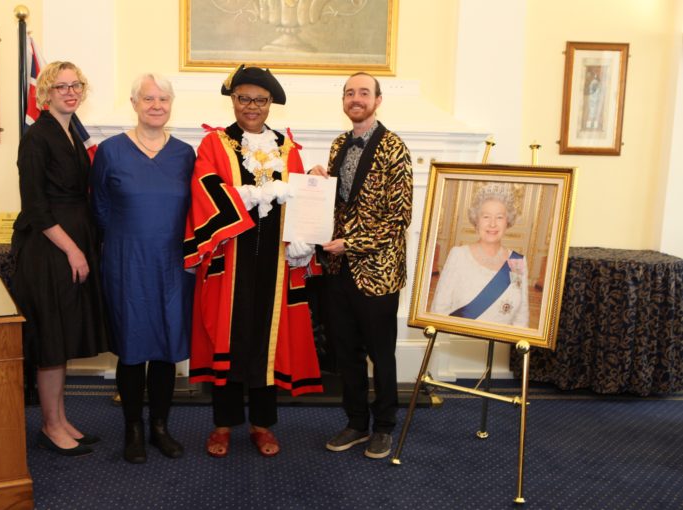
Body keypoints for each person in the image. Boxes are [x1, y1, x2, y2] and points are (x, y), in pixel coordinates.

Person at [183, 64, 323, 458]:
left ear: (270, 104)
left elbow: (300, 200)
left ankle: (262, 425)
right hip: (232, 259)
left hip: (274, 264)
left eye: (260, 100)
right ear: (233, 100)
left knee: (268, 339)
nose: (251, 107)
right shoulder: (215, 143)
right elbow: (205, 187)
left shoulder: (286, 147)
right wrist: (248, 197)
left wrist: (303, 241)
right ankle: (223, 425)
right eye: (244, 98)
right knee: (229, 338)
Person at [91, 74, 196, 464]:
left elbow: (197, 210)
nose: (156, 105)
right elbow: (99, 208)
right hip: (127, 263)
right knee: (133, 350)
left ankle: (160, 427)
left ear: (171, 104)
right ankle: (133, 428)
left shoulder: (186, 155)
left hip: (173, 266)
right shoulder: (111, 151)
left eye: (163, 98)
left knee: (167, 349)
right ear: (134, 103)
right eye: (148, 98)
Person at [310, 72, 413, 459]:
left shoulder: (394, 148)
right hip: (339, 271)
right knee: (346, 352)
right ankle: (356, 422)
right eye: (350, 93)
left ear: (378, 100)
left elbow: (398, 218)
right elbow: (340, 203)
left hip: (378, 272)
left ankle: (384, 426)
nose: (356, 98)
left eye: (364, 93)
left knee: (381, 354)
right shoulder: (340, 144)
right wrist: (319, 181)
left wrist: (351, 243)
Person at [11, 61, 110, 457]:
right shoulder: (36, 137)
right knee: (51, 338)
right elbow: (35, 206)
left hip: (71, 242)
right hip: (48, 249)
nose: (70, 92)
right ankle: (51, 426)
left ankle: (62, 418)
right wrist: (73, 249)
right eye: (61, 87)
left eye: (76, 86)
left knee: (62, 336)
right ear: (46, 93)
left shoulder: (69, 132)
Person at [430, 183, 529, 327]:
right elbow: (439, 309)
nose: (492, 224)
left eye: (500, 217)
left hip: (500, 346)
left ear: (508, 221)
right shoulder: (458, 255)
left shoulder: (517, 262)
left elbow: (522, 316)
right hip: (459, 342)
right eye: (486, 217)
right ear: (476, 221)